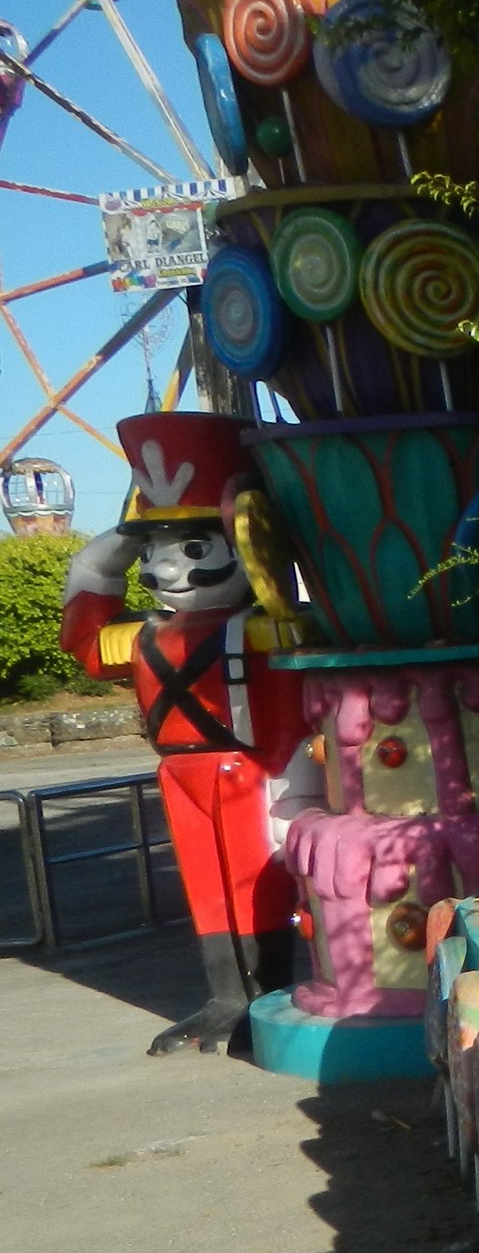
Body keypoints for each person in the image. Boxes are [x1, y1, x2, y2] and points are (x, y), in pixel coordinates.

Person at [59, 412, 323, 1055]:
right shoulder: (142, 635)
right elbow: (82, 643)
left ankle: (269, 993)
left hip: (251, 773)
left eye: (194, 549)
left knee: (259, 878)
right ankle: (225, 996)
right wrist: (105, 555)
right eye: (151, 552)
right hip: (182, 774)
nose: (167, 569)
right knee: (207, 887)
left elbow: (294, 699)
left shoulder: (264, 630)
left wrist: (296, 782)